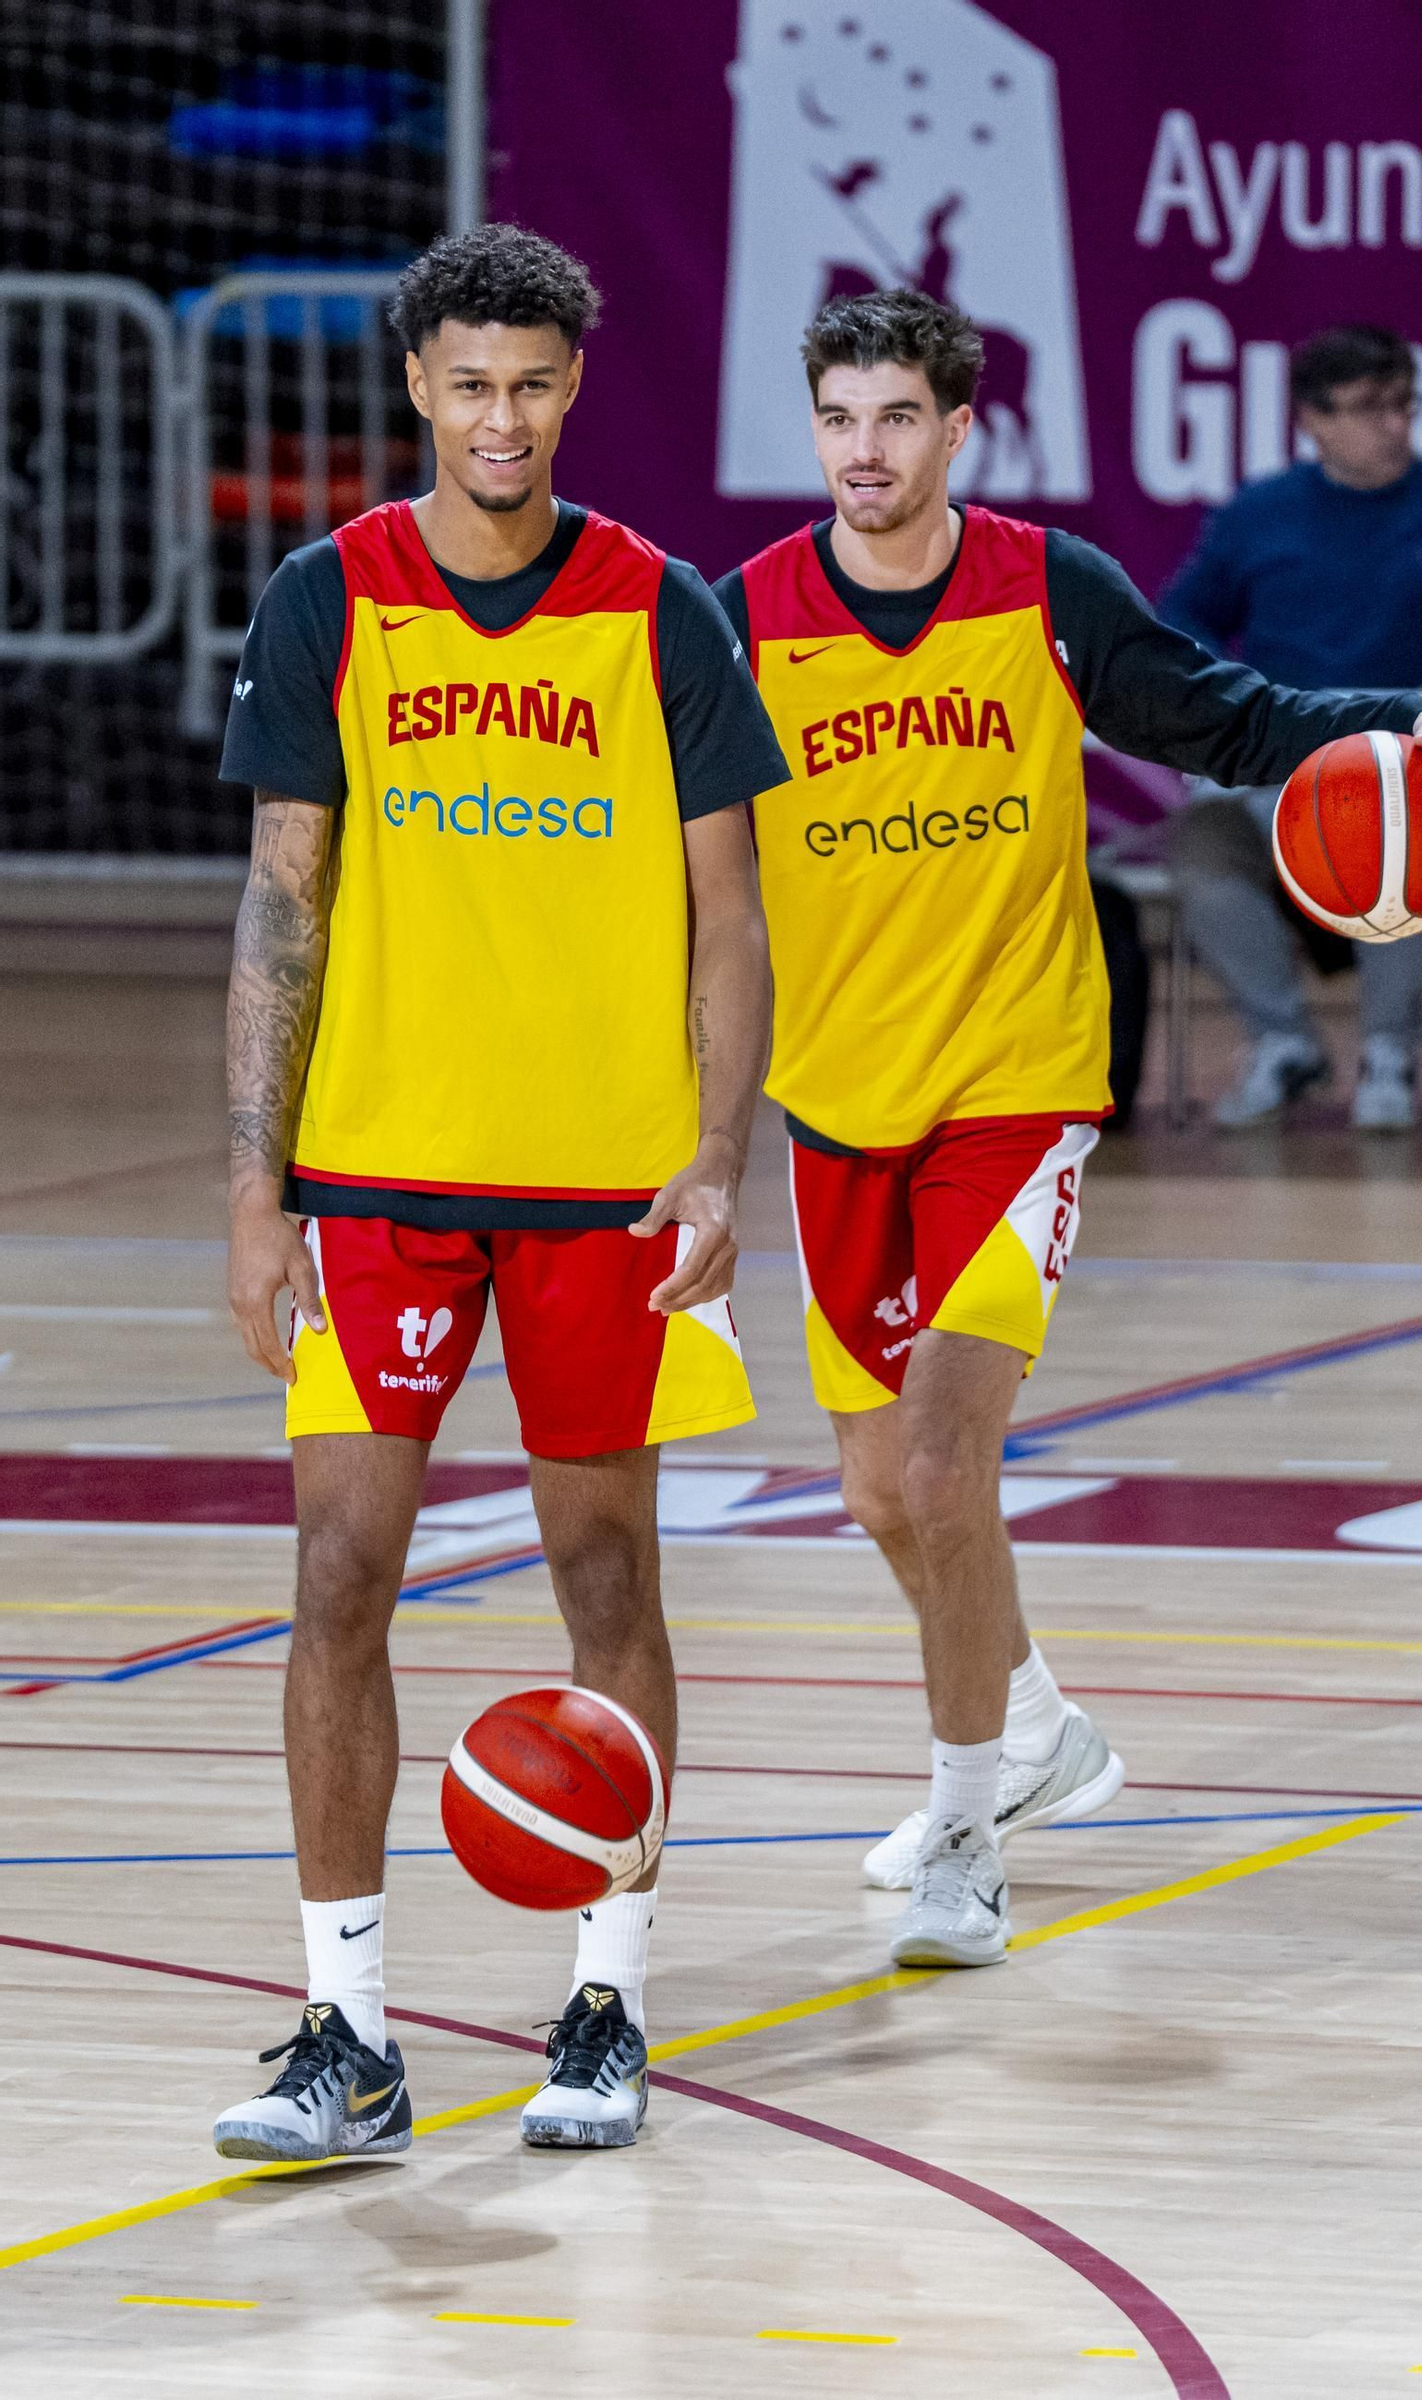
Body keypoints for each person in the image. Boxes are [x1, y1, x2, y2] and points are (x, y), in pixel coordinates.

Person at [714, 289, 1422, 1970]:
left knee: (941, 1461)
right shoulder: (740, 622)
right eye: (841, 420)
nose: (867, 452)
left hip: (1017, 1084)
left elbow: (1222, 715)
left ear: (957, 432)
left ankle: (963, 1836)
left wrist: (1389, 723)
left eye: (898, 420)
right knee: (871, 1491)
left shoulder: (1044, 587)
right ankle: (1040, 1728)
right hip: (839, 1103)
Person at [212, 223, 785, 2161]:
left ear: (570, 389)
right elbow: (282, 899)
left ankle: (606, 2001)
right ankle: (343, 2036)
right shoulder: (328, 599)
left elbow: (729, 919)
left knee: (605, 1578)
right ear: (416, 393)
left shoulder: (654, 609)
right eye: (468, 384)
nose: (501, 417)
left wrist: (716, 1149)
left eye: (533, 383)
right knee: (334, 1576)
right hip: (375, 1173)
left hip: (599, 1189)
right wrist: (250, 1185)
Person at [1163, 322, 1422, 1131]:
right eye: (1369, 407)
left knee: (1391, 831)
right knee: (1201, 844)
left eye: (1405, 404)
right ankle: (1285, 1043)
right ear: (1312, 420)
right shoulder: (1258, 516)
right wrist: (1228, 686)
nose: (1396, 424)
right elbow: (1184, 617)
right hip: (1281, 764)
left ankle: (1390, 1052)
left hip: (1413, 771)